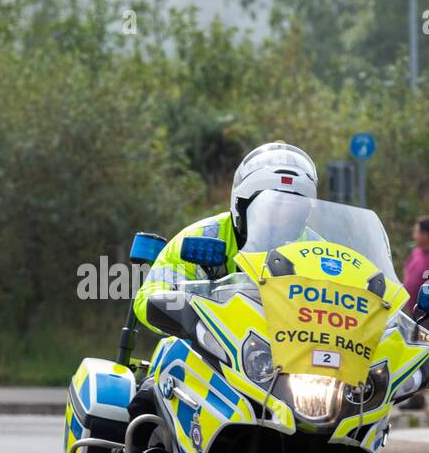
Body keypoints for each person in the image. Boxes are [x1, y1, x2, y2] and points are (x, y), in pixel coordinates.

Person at [134, 142, 318, 332]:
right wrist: (185, 315)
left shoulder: (316, 251)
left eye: (294, 206)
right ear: (242, 204)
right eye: (272, 205)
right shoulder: (201, 236)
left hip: (289, 352)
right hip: (207, 346)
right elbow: (150, 293)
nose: (283, 214)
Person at [403, 216, 429, 317]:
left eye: (416, 232)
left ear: (425, 235)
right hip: (412, 314)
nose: (414, 236)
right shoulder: (415, 253)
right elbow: (406, 272)